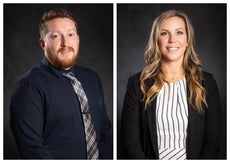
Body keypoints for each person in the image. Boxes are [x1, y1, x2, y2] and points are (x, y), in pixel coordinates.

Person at [10, 9, 112, 159]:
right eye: (56, 36)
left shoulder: (92, 78)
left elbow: (104, 133)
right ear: (43, 44)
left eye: (70, 34)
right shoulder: (29, 86)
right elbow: (32, 150)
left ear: (77, 39)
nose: (65, 43)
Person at [121, 10, 221, 159]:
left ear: (188, 39)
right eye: (164, 33)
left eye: (179, 32)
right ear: (156, 40)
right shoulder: (137, 84)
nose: (172, 40)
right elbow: (130, 143)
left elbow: (212, 142)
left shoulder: (206, 83)